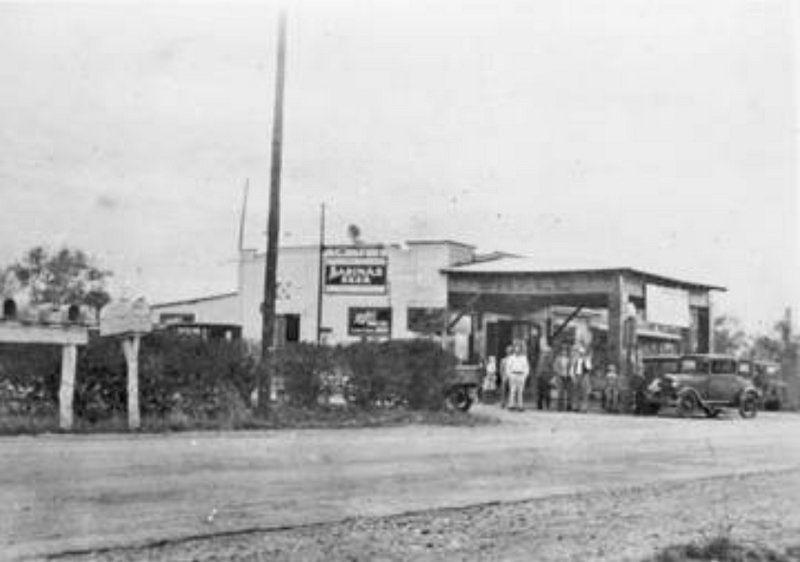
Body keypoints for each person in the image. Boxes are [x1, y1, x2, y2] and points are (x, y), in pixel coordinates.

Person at [505, 343, 530, 411]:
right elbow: (508, 367)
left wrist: (525, 375)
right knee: (512, 390)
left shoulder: (524, 358)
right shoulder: (511, 358)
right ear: (514, 350)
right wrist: (509, 375)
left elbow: (526, 367)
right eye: (516, 348)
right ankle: (511, 405)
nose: (517, 350)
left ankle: (520, 406)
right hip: (513, 374)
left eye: (518, 348)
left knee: (520, 391)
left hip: (521, 375)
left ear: (520, 350)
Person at [571, 344, 593, 413]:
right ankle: (575, 407)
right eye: (580, 353)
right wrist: (573, 376)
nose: (581, 354)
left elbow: (589, 368)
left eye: (582, 353)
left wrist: (587, 360)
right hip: (577, 375)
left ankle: (584, 407)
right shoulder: (575, 360)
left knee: (584, 393)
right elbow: (572, 369)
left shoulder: (586, 360)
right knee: (576, 392)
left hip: (584, 375)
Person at [553, 345, 572, 411]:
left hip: (568, 377)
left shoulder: (569, 359)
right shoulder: (558, 358)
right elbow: (555, 367)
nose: (564, 352)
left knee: (569, 392)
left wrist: (569, 374)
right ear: (561, 351)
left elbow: (571, 368)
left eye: (565, 351)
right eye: (563, 351)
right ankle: (560, 407)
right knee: (560, 392)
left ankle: (568, 406)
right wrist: (560, 373)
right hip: (560, 377)